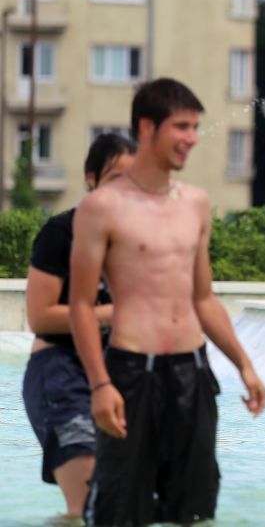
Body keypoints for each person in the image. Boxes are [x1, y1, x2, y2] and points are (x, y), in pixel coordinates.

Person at [69, 78, 265, 525]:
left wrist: (244, 364)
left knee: (194, 510)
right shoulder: (102, 207)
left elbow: (203, 297)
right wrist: (100, 385)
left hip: (192, 372)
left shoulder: (195, 204)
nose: (192, 139)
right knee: (120, 511)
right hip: (131, 374)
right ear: (147, 127)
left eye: (195, 127)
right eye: (181, 127)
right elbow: (81, 305)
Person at [22, 133, 136, 520]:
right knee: (87, 510)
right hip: (60, 374)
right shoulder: (62, 232)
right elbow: (39, 317)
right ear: (91, 178)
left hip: (114, 374)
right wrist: (114, 313)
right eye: (115, 178)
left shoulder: (134, 240)